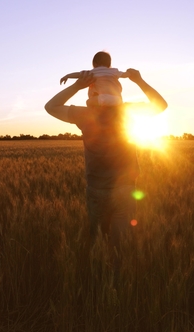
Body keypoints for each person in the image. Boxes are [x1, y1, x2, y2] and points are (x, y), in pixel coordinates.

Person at [45, 68, 167, 265]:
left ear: (92, 91)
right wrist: (139, 80)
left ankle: (99, 281)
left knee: (98, 243)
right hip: (125, 189)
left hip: (97, 188)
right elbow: (161, 105)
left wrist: (77, 85)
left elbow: (51, 107)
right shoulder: (128, 112)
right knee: (119, 249)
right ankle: (118, 284)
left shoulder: (85, 115)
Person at [59, 51, 129, 107]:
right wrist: (130, 73)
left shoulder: (93, 72)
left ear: (95, 64)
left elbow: (78, 74)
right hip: (117, 98)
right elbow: (125, 75)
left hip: (101, 98)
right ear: (109, 64)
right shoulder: (114, 71)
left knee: (89, 102)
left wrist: (67, 76)